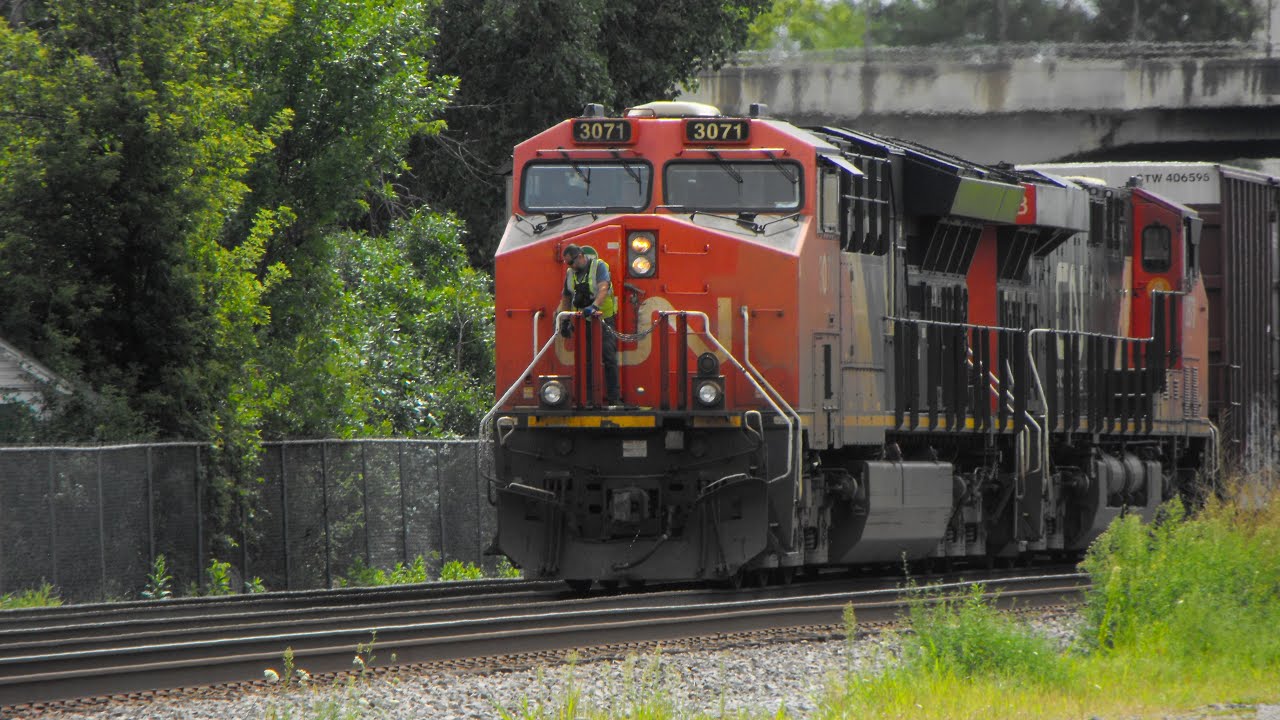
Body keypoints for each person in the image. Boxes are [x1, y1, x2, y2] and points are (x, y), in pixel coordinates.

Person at [557, 244, 620, 405]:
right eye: (566, 263)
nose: (569, 266)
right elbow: (566, 297)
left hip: (604, 319)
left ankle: (614, 398)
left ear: (580, 256)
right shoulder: (571, 273)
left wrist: (594, 306)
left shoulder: (599, 266)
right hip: (584, 321)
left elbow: (603, 287)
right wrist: (564, 320)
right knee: (588, 360)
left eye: (570, 262)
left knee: (609, 357)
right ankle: (590, 398)